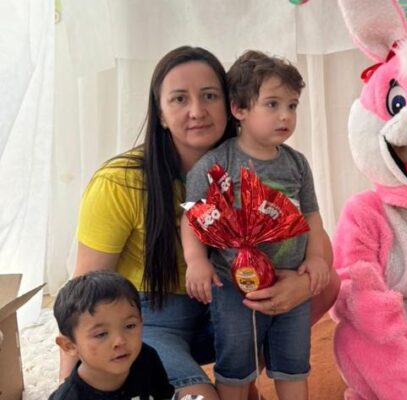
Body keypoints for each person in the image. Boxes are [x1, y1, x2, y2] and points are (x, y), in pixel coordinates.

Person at [63, 46, 339, 400]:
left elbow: (310, 227)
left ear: (231, 105)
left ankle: (246, 375)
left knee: (326, 282)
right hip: (155, 318)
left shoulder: (261, 163)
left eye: (209, 96)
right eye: (179, 99)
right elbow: (82, 293)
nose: (197, 111)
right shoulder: (120, 183)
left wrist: (300, 285)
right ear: (161, 114)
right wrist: (70, 384)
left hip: (226, 302)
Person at [181, 50, 331, 400]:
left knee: (293, 362)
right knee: (235, 363)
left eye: (292, 106)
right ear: (239, 109)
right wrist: (196, 261)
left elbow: (311, 216)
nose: (285, 116)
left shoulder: (297, 164)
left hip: (291, 280)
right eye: (272, 104)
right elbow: (192, 217)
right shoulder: (217, 163)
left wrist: (317, 257)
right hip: (235, 288)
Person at [51, 270, 175, 400]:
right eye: (101, 334)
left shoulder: (146, 358)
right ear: (70, 346)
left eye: (130, 326)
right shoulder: (69, 397)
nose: (120, 341)